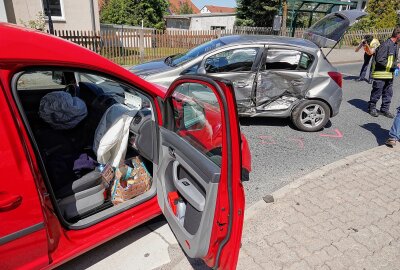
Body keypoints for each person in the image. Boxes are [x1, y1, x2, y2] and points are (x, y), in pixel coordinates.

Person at [368, 27, 400, 118]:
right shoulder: (385, 45)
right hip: (380, 74)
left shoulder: (395, 45)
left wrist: (397, 64)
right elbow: (380, 60)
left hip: (390, 74)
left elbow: (393, 59)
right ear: (398, 35)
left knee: (388, 93)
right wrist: (395, 66)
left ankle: (384, 109)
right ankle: (372, 107)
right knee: (377, 92)